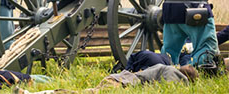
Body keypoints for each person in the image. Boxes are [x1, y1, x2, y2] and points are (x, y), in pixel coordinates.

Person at [14, 64, 198, 94]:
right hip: (120, 85)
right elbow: (170, 88)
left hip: (117, 79)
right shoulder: (174, 75)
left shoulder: (164, 67)